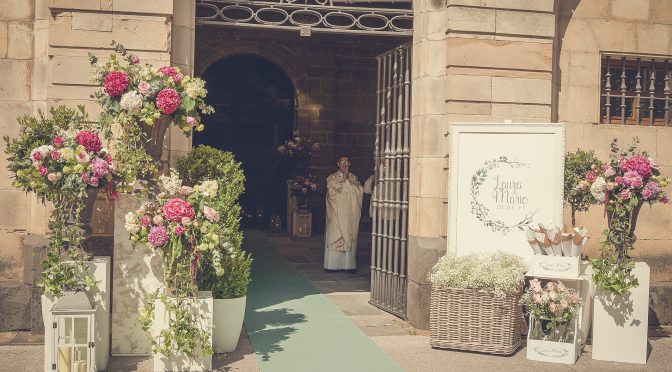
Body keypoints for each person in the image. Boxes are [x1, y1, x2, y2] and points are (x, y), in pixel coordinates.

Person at [324, 155, 363, 272]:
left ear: (349, 164)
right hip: (336, 212)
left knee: (349, 235)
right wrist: (343, 184)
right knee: (335, 234)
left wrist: (348, 182)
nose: (344, 164)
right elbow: (331, 193)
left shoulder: (353, 178)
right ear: (338, 164)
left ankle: (348, 265)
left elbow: (359, 191)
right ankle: (333, 265)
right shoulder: (331, 177)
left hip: (349, 213)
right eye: (342, 162)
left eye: (346, 162)